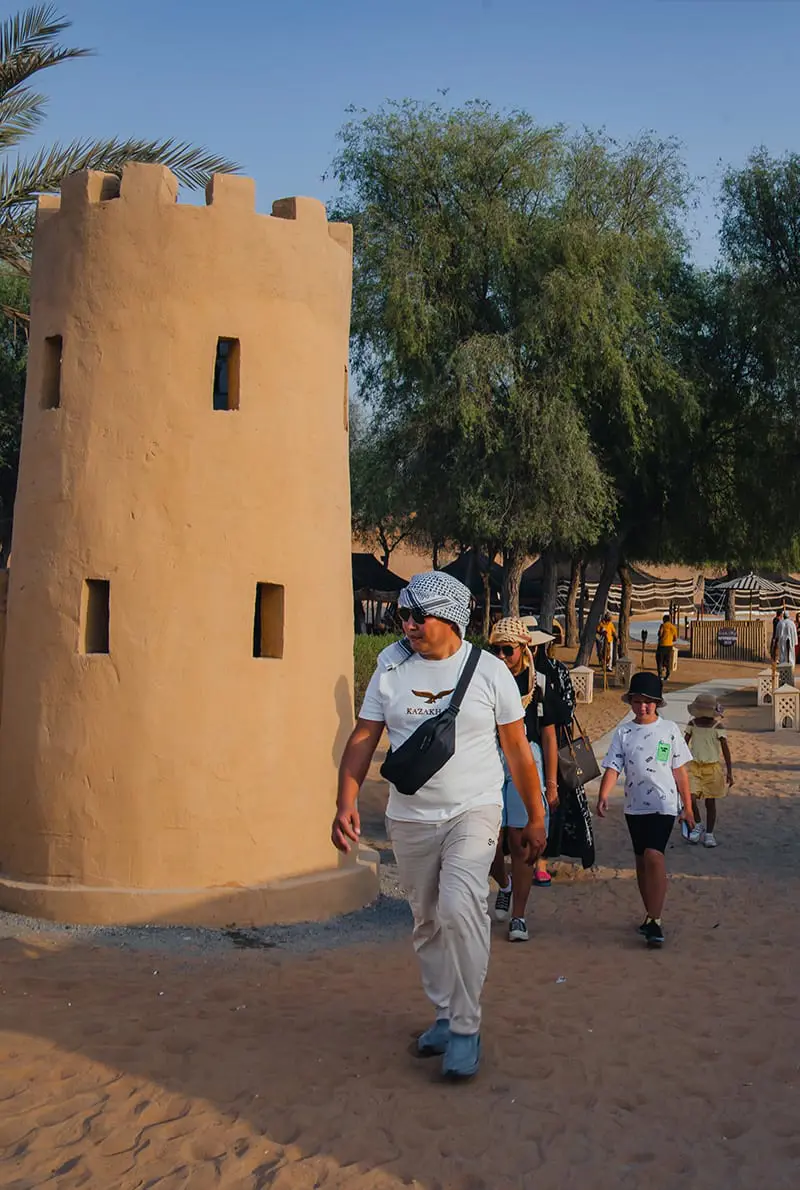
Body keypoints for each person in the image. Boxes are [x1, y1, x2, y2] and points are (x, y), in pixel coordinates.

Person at [331, 572, 547, 1079]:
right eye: (402, 615)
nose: (407, 624)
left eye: (416, 616)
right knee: (426, 918)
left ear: (449, 618)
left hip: (474, 809)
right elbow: (365, 736)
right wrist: (345, 801)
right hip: (409, 816)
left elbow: (517, 750)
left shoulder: (490, 672)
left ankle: (468, 1027)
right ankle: (446, 1015)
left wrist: (537, 815)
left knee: (459, 904)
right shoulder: (390, 666)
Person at [596, 672, 694, 948]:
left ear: (657, 703)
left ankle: (656, 919)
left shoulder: (670, 730)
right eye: (638, 702)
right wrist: (604, 794)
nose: (643, 707)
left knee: (654, 855)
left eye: (648, 702)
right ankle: (649, 914)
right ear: (631, 703)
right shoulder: (624, 732)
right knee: (641, 861)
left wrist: (687, 807)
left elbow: (680, 772)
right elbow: (614, 767)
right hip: (635, 806)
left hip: (664, 804)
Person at [487, 617, 559, 941]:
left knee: (520, 840)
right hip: (489, 757)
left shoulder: (540, 682)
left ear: (522, 648)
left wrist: (551, 784)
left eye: (507, 650)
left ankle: (519, 915)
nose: (501, 657)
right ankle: (504, 884)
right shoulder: (483, 678)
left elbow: (549, 735)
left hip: (526, 759)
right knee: (487, 842)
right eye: (495, 650)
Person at [684, 693, 733, 848]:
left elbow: (726, 749)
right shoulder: (692, 724)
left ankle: (710, 834)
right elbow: (683, 743)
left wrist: (729, 772)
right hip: (694, 766)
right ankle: (698, 824)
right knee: (690, 798)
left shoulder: (718, 727)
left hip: (712, 768)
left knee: (710, 802)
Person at [656, 613, 679, 681]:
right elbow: (675, 638)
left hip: (662, 645)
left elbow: (660, 634)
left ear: (664, 620)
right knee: (667, 660)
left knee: (659, 659)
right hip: (669, 646)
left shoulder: (663, 625)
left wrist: (661, 637)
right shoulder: (673, 627)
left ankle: (660, 674)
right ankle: (667, 673)